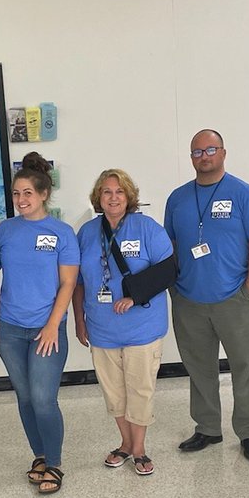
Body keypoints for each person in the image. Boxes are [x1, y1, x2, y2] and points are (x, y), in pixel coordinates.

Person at [164, 128, 249, 462]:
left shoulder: (245, 194)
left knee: (243, 367)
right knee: (199, 368)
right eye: (197, 152)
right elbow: (170, 246)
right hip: (188, 300)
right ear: (191, 158)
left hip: (233, 299)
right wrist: (174, 289)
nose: (204, 156)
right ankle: (208, 427)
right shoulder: (178, 198)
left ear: (223, 152)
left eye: (210, 149)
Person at [73, 169, 174, 476]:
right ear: (98, 198)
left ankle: (140, 449)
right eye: (106, 192)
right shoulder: (87, 233)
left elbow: (169, 270)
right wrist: (79, 321)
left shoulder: (146, 228)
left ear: (129, 196)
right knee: (114, 392)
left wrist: (133, 295)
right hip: (102, 328)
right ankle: (125, 444)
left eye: (119, 192)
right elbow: (77, 282)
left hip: (142, 327)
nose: (113, 197)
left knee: (140, 390)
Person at [0, 153, 80, 495]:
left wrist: (51, 324)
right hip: (10, 330)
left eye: (28, 193)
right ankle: (40, 456)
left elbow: (68, 284)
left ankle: (55, 464)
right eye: (16, 193)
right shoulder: (5, 231)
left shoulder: (61, 232)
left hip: (48, 328)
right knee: (26, 397)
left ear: (44, 194)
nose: (21, 200)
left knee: (44, 398)